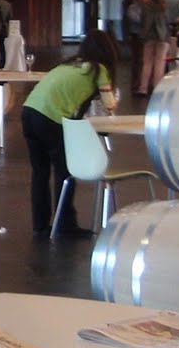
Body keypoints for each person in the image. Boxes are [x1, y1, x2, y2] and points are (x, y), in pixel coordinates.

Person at [21, 29, 118, 236]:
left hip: (29, 111)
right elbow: (110, 104)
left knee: (40, 172)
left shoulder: (68, 64)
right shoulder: (99, 69)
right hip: (50, 117)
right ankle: (65, 224)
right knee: (65, 172)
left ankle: (41, 225)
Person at [136, 0, 170, 96]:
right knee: (160, 63)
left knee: (147, 63)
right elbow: (167, 23)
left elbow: (144, 23)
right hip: (162, 37)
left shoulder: (146, 7)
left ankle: (143, 88)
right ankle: (157, 88)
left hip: (149, 38)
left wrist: (143, 35)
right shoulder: (164, 7)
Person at [124, 0, 147, 85]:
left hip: (146, 36)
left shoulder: (148, 8)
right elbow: (137, 20)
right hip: (136, 35)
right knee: (137, 59)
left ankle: (144, 80)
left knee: (145, 59)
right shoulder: (132, 8)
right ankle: (136, 80)